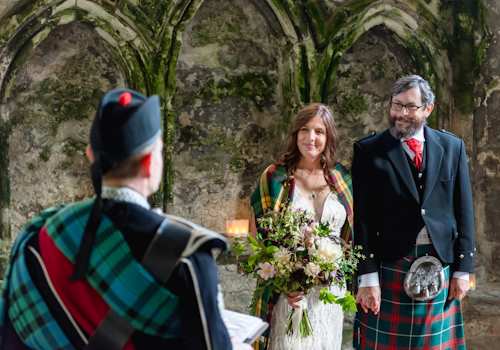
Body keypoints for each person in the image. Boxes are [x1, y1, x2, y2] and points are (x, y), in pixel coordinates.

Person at [0, 88, 248, 349]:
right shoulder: (188, 254)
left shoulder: (41, 233)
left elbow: (10, 337)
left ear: (90, 155)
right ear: (150, 161)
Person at [352, 75, 475, 349]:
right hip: (390, 264)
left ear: (428, 109)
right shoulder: (369, 150)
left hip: (440, 263)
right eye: (396, 105)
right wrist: (367, 276)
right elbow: (362, 219)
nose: (401, 114)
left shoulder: (452, 147)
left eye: (410, 107)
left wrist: (463, 269)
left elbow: (464, 210)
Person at [250, 103, 354, 350]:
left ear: (328, 137)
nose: (311, 138)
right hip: (289, 295)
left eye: (319, 131)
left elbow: (351, 237)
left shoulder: (341, 178)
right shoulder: (275, 177)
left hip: (330, 295)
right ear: (295, 134)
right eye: (304, 130)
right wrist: (284, 283)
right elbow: (256, 241)